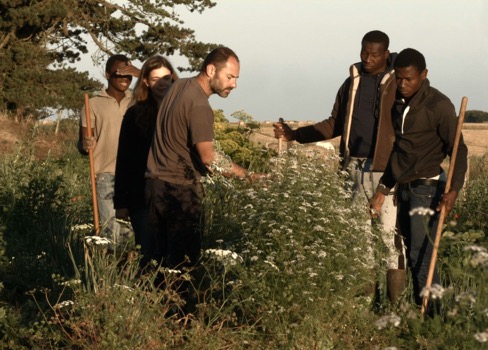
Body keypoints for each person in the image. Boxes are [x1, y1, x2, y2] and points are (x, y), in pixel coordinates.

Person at [273, 30, 404, 301]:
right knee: (360, 242)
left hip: (385, 172)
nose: (367, 58)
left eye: (374, 54)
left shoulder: (397, 83)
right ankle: (366, 305)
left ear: (386, 55)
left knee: (390, 241)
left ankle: (397, 311)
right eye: (363, 52)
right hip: (353, 169)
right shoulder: (351, 83)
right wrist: (296, 135)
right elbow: (334, 123)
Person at [370, 48, 468, 306]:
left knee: (422, 256)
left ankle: (433, 320)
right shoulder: (399, 104)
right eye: (399, 78)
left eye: (408, 79)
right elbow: (400, 151)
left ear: (424, 75)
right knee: (412, 256)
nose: (402, 84)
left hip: (427, 190)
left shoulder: (439, 105)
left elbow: (459, 149)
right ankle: (419, 313)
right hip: (404, 189)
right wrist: (383, 188)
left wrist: (453, 191)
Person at [146, 46, 254, 270]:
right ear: (211, 69)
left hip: (154, 187)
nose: (234, 84)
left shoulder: (179, 86)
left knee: (155, 265)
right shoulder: (200, 105)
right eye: (230, 77)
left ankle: (152, 305)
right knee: (181, 269)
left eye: (236, 78)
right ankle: (179, 305)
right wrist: (249, 176)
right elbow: (209, 157)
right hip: (179, 192)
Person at [114, 55, 178, 268]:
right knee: (148, 255)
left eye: (166, 78)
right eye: (155, 78)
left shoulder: (182, 111)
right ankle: (145, 299)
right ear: (146, 82)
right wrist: (121, 202)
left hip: (176, 194)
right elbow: (124, 159)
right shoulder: (135, 114)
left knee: (174, 255)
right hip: (141, 197)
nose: (161, 84)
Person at [81, 54, 140, 245]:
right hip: (106, 175)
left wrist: (141, 73)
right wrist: (85, 144)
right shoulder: (92, 104)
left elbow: (168, 90)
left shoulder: (139, 100)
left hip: (136, 175)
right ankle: (109, 273)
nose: (124, 78)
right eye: (119, 73)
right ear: (107, 75)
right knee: (111, 235)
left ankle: (127, 273)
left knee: (132, 235)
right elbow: (83, 143)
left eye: (129, 75)